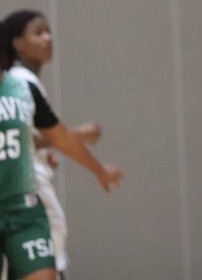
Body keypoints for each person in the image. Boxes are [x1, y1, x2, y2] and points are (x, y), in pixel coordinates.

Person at [0, 18, 123, 280]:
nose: (48, 38)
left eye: (49, 32)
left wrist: (98, 169)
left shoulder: (21, 88)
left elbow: (58, 137)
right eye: (38, 32)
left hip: (24, 206)